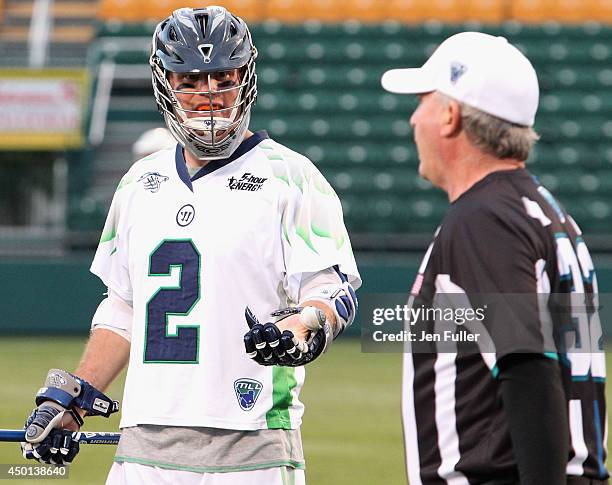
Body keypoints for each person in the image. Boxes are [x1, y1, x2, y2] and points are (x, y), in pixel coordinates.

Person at [20, 6, 360, 484]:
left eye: (223, 76)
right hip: (143, 448)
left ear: (246, 77)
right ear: (166, 85)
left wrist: (300, 331)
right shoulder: (140, 181)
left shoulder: (292, 177)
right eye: (190, 80)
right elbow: (124, 308)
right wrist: (78, 398)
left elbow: (331, 292)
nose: (209, 95)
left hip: (252, 442)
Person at [381, 32, 608, 484]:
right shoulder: (543, 210)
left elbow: (527, 365)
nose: (412, 119)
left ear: (450, 116)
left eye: (423, 101)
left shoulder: (485, 219)